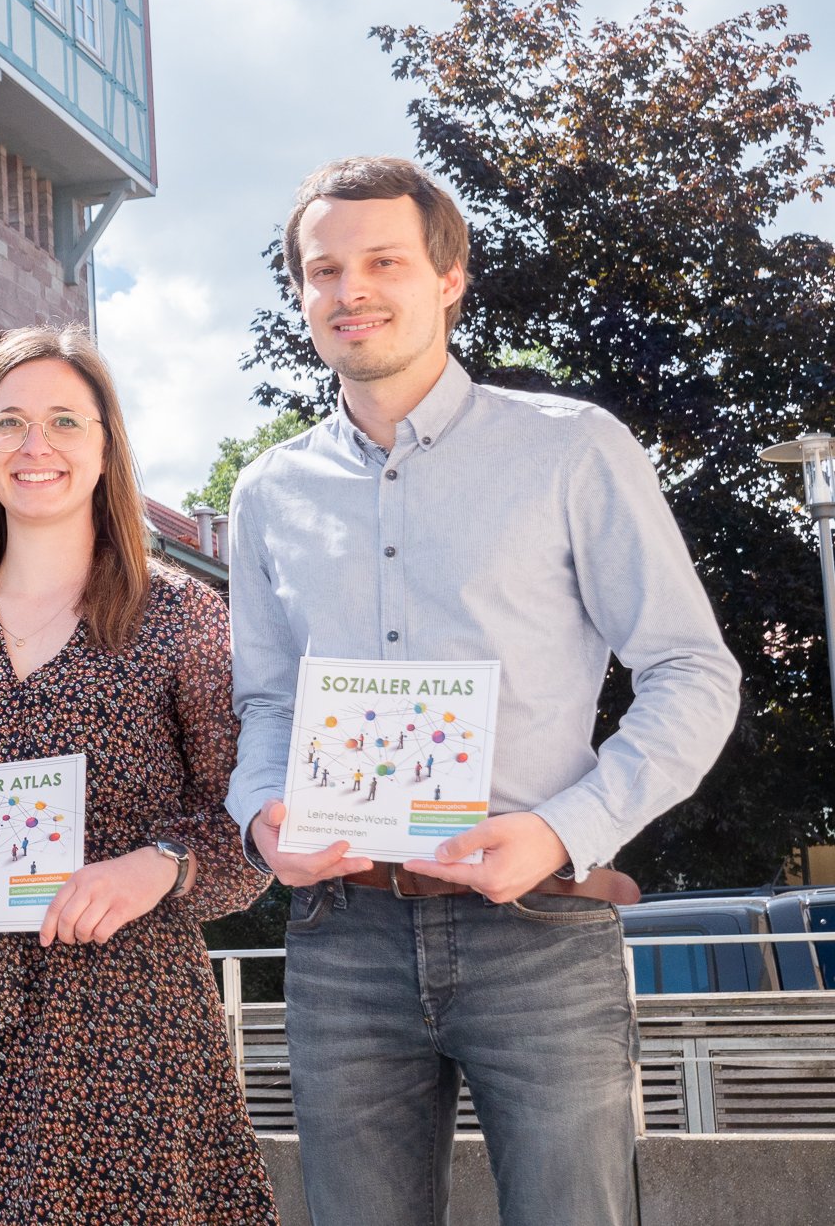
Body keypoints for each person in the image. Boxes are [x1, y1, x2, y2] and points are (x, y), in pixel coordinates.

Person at [226, 157, 741, 1226]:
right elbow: (267, 702)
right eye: (322, 269)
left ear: (447, 278)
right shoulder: (268, 491)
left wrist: (562, 832)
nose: (348, 290)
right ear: (298, 291)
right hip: (342, 934)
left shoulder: (570, 450)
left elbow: (691, 671)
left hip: (539, 934)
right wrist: (256, 815)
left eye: (381, 262)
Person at [0, 326, 276, 1225]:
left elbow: (244, 824)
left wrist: (157, 862)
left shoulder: (181, 612)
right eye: (8, 423)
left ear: (105, 444)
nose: (35, 446)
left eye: (63, 421)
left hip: (130, 1023)